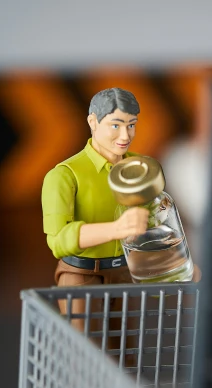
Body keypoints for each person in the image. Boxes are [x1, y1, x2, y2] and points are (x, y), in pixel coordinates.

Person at [41, 87, 149, 326]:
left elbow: (153, 220)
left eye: (131, 125)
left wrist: (178, 265)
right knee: (83, 350)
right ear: (93, 121)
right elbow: (58, 240)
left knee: (127, 351)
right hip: (81, 273)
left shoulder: (138, 168)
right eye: (115, 125)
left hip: (125, 271)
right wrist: (115, 229)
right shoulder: (63, 176)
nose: (125, 135)